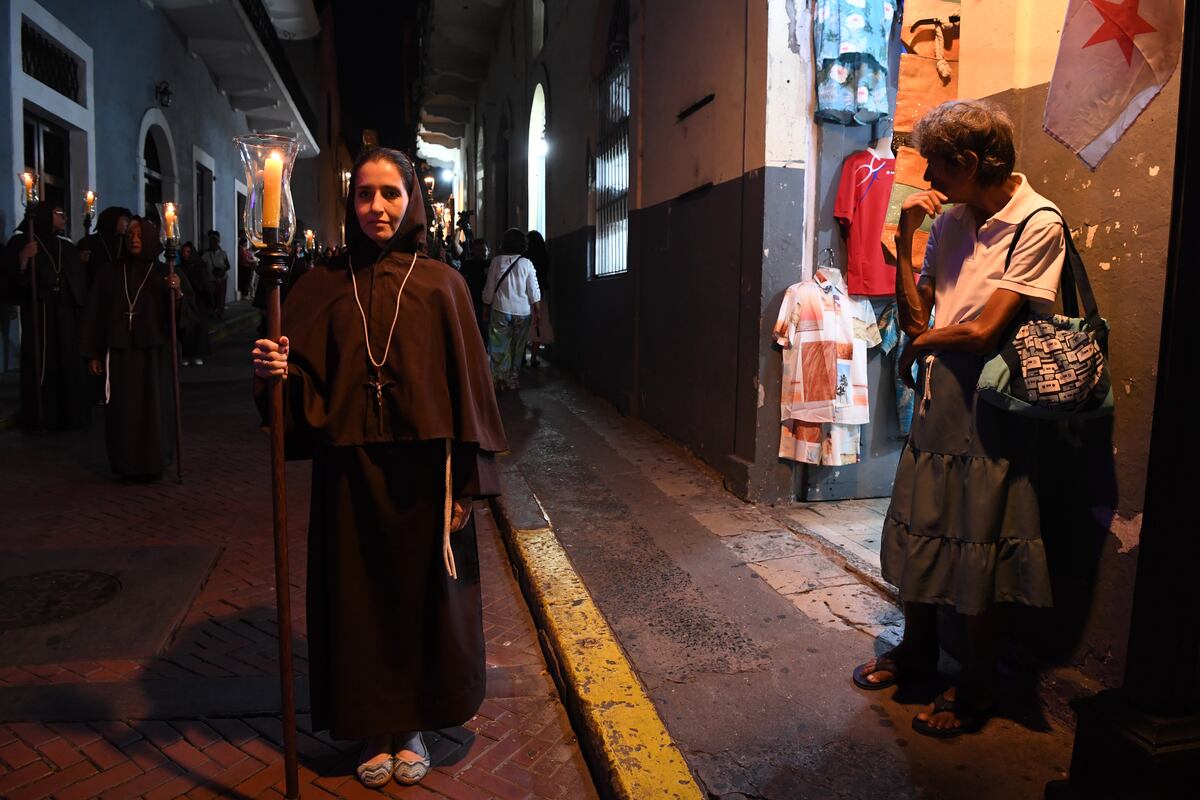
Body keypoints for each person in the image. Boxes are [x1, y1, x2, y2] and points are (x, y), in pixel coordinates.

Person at [250, 147, 506, 790]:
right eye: (365, 195)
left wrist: (468, 486)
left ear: (411, 199)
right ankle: (373, 726)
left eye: (390, 194)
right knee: (358, 601)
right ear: (350, 203)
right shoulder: (321, 286)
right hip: (350, 477)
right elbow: (302, 391)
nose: (377, 208)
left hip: (427, 476)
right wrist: (275, 377)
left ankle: (413, 726)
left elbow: (472, 393)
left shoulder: (443, 284)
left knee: (420, 601)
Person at [852, 100, 1065, 737]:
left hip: (993, 411)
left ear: (968, 163)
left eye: (935, 164)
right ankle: (918, 650)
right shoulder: (949, 220)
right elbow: (920, 319)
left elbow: (985, 331)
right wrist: (906, 236)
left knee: (981, 542)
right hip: (938, 404)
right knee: (922, 526)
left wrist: (922, 345)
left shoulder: (1037, 222)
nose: (927, 176)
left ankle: (975, 685)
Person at [80, 217, 183, 479]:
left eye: (139, 235)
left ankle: (154, 461)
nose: (133, 239)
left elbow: (183, 320)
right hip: (120, 353)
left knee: (153, 409)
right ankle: (124, 463)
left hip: (153, 355)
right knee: (121, 411)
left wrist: (178, 294)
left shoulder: (164, 273)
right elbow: (95, 313)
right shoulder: (109, 272)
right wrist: (92, 351)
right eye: (130, 235)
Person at [1, 203, 89, 431]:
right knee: (42, 361)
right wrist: (23, 259)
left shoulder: (66, 246)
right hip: (40, 312)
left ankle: (68, 413)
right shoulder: (22, 242)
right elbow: (12, 278)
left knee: (66, 360)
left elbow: (78, 280)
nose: (64, 217)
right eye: (59, 214)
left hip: (64, 312)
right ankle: (41, 414)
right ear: (44, 216)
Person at [481, 228, 540, 391]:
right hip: (523, 312)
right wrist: (538, 312)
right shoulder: (527, 263)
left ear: (504, 243)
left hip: (500, 309)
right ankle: (513, 379)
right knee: (517, 347)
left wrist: (486, 305)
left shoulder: (496, 261)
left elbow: (490, 287)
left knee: (500, 346)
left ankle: (499, 379)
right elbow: (534, 290)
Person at [78, 206, 132, 289]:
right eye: (125, 220)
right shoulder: (89, 242)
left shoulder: (125, 242)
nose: (128, 224)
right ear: (113, 219)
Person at [178, 241, 212, 366]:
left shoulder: (199, 267)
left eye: (188, 252)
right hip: (185, 303)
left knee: (199, 331)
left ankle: (198, 354)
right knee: (187, 330)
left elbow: (205, 286)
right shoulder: (179, 268)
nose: (185, 254)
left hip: (198, 303)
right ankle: (186, 355)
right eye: (183, 252)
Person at [525, 230, 554, 366]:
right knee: (539, 326)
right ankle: (534, 358)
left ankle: (522, 358)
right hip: (540, 294)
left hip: (524, 296)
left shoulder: (524, 258)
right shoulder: (544, 256)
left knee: (525, 326)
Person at [458, 238, 490, 337]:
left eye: (484, 250)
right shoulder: (467, 265)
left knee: (485, 331)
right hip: (471, 301)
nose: (482, 253)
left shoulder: (491, 264)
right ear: (474, 251)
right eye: (479, 250)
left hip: (486, 304)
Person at [201, 230, 231, 318]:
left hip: (222, 278)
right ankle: (213, 310)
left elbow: (228, 265)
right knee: (212, 296)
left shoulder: (222, 253)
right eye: (211, 242)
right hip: (211, 278)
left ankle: (220, 312)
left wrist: (222, 270)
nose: (213, 243)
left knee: (221, 296)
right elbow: (202, 265)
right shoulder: (206, 254)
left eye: (215, 241)